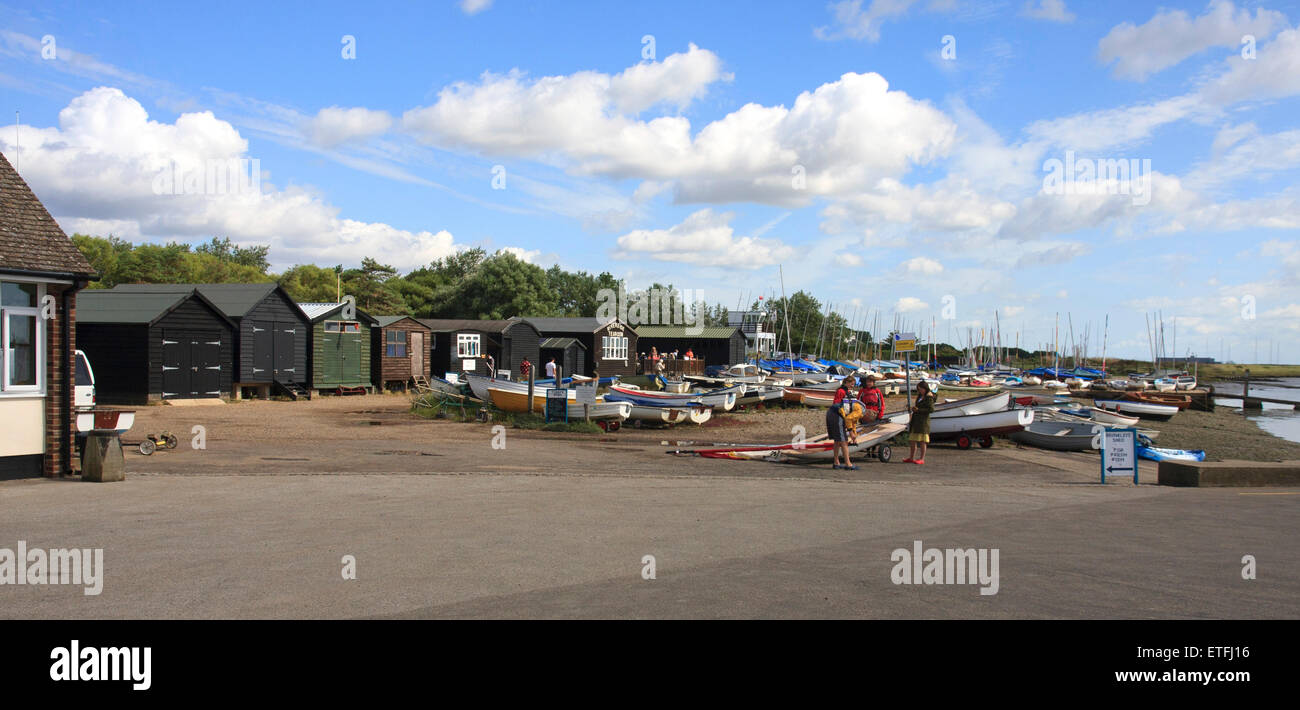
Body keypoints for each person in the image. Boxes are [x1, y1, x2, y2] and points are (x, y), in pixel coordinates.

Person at [827, 398, 865, 470]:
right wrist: (850, 432)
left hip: (831, 412)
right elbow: (848, 419)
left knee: (837, 440)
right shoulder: (860, 411)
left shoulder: (859, 408)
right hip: (837, 414)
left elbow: (852, 422)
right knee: (844, 441)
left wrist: (854, 435)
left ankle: (836, 463)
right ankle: (848, 464)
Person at [904, 380, 935, 464]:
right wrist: (912, 408)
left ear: (925, 388)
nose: (920, 391)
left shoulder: (929, 397)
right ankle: (911, 457)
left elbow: (931, 409)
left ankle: (922, 458)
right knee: (912, 440)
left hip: (923, 422)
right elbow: (918, 407)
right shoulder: (920, 396)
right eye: (918, 389)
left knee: (922, 441)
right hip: (916, 420)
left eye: (921, 389)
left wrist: (919, 410)